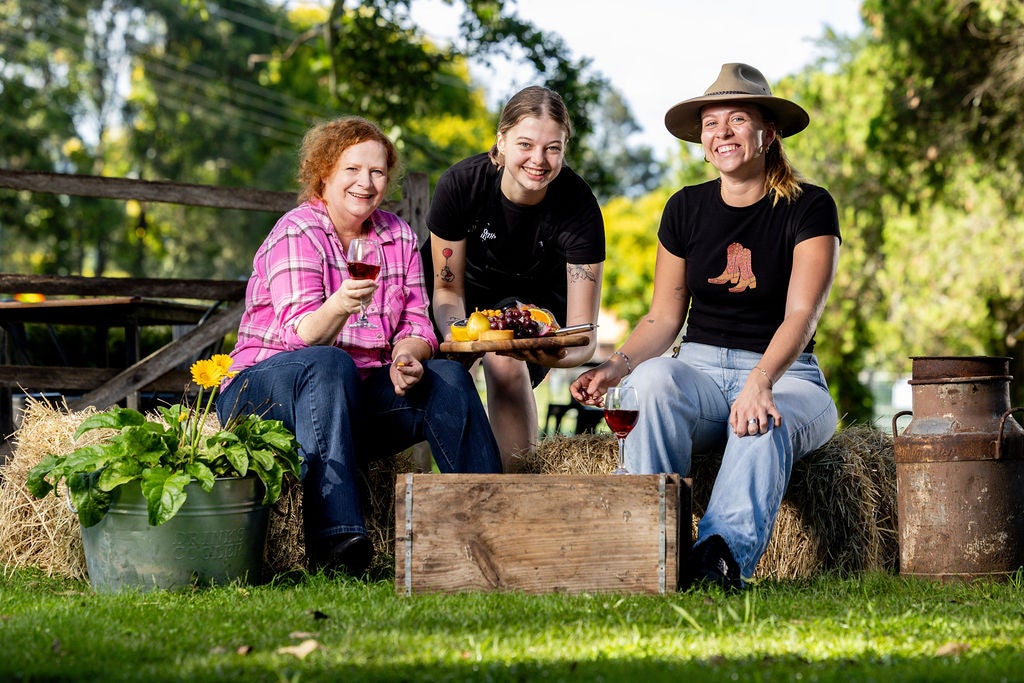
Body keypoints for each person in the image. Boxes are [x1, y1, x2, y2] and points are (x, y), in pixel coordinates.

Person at [570, 63, 841, 590]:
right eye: (712, 123)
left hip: (787, 376)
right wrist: (615, 367)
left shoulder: (809, 206)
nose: (722, 133)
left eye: (738, 119)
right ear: (701, 140)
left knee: (765, 419)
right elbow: (663, 318)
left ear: (770, 132)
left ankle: (718, 561)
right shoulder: (684, 208)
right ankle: (654, 549)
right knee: (648, 383)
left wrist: (760, 382)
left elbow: (801, 315)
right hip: (697, 372)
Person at [216, 116, 502, 578]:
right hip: (264, 395)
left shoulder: (397, 236)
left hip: (348, 404)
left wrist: (407, 356)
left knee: (447, 376)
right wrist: (338, 305)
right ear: (324, 175)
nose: (365, 183)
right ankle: (337, 543)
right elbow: (301, 336)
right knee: (329, 363)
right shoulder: (298, 232)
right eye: (351, 170)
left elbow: (417, 324)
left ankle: (495, 523)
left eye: (377, 172)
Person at [425, 85, 606, 471]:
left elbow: (584, 335)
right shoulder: (461, 185)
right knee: (443, 372)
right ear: (501, 141)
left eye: (552, 148)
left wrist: (551, 353)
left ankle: (517, 488)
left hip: (535, 305)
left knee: (504, 360)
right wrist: (463, 337)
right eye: (525, 144)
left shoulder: (579, 208)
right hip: (459, 296)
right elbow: (445, 287)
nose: (538, 160)